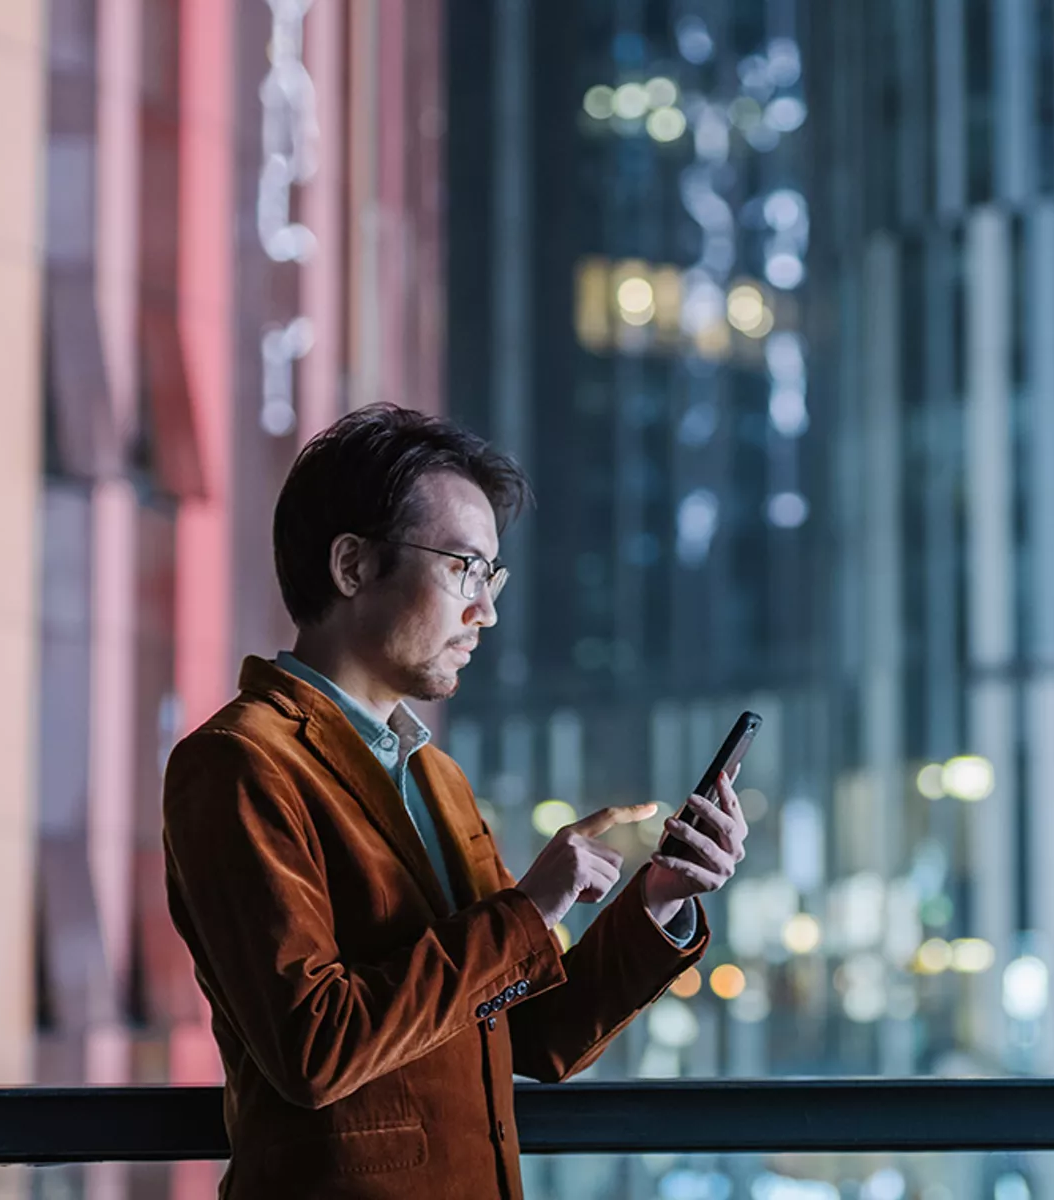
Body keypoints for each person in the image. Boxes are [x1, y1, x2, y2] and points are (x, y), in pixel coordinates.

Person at [162, 404, 750, 1198]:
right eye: (464, 569)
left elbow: (531, 1035)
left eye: (492, 577)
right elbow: (315, 1048)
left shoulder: (436, 776)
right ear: (352, 566)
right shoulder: (238, 764)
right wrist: (530, 909)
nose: (488, 610)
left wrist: (658, 900)